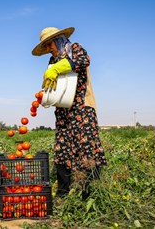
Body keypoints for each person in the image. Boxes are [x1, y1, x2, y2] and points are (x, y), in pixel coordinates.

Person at [32, 26, 107, 200]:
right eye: (46, 47)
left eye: (49, 44)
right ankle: (63, 193)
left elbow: (84, 60)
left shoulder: (75, 49)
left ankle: (90, 194)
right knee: (62, 148)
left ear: (58, 40)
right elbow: (55, 86)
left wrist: (57, 68)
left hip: (83, 107)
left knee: (87, 146)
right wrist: (45, 96)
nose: (49, 49)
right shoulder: (52, 61)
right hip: (64, 111)